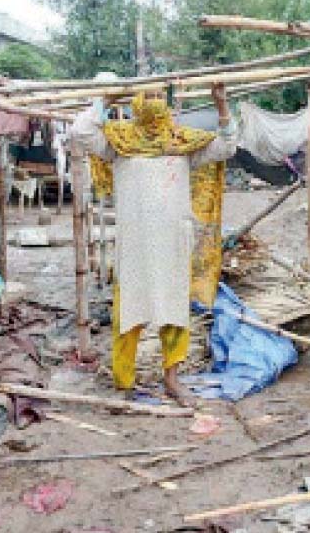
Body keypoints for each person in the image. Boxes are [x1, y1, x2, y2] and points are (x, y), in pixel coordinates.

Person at [72, 83, 236, 406]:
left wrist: (222, 106)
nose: (156, 102)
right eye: (149, 96)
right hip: (135, 245)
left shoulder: (182, 142)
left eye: (161, 96)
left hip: (173, 241)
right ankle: (124, 384)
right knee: (128, 313)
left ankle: (172, 380)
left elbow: (227, 146)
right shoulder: (118, 142)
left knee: (174, 310)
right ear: (135, 102)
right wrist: (105, 99)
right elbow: (80, 131)